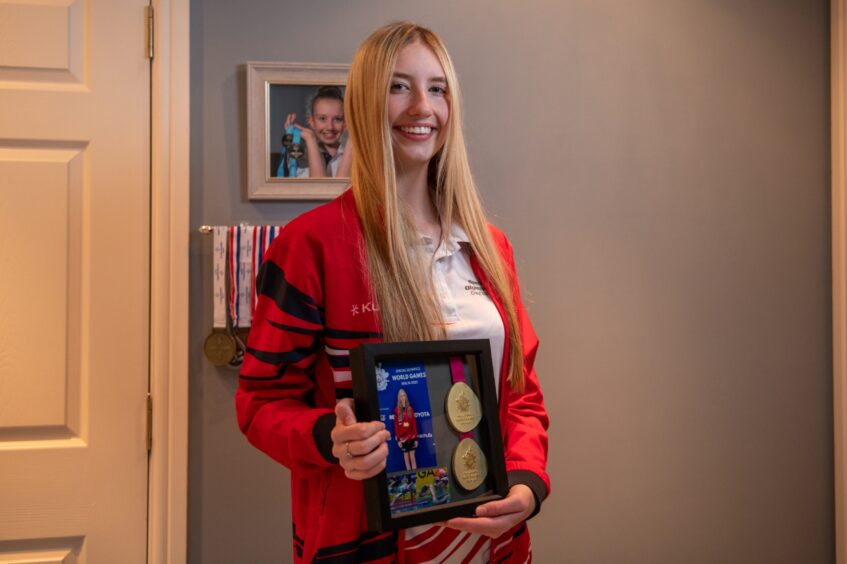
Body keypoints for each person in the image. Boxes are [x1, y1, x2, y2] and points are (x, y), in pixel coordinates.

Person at [237, 21, 549, 563]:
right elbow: (260, 404)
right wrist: (327, 438)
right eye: (398, 87)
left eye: (437, 88)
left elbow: (521, 394)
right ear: (364, 102)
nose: (421, 107)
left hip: (490, 543)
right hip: (364, 542)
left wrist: (526, 483)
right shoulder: (310, 245)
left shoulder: (490, 246)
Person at [279, 85, 353, 178]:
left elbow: (342, 191)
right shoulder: (301, 156)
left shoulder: (353, 154)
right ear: (312, 122)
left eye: (337, 119)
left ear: (345, 123)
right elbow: (318, 190)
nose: (330, 127)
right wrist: (311, 139)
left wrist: (353, 141)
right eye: (322, 118)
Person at [394, 388, 418, 470]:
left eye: (404, 395)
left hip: (411, 437)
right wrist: (398, 440)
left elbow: (413, 424)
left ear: (406, 397)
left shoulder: (410, 409)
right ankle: (410, 477)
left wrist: (416, 439)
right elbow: (396, 426)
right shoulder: (396, 410)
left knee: (413, 459)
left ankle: (415, 476)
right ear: (399, 398)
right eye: (401, 396)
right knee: (407, 461)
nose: (402, 397)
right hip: (403, 439)